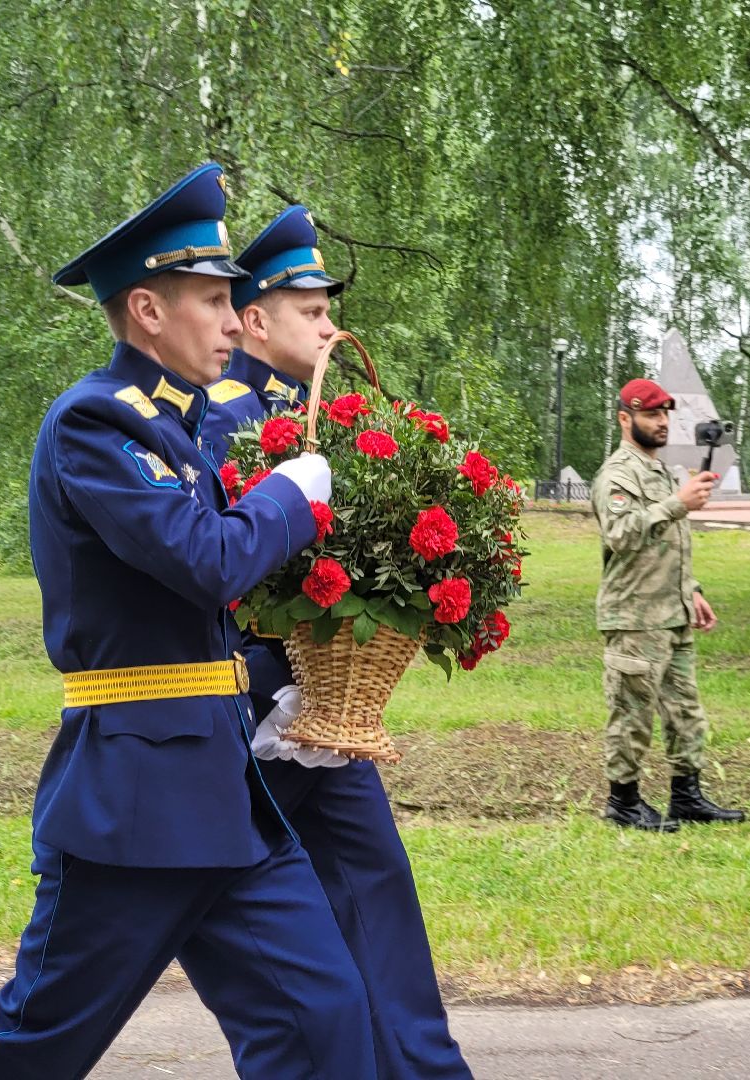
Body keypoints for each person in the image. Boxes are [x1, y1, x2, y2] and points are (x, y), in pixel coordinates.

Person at [0, 163, 373, 1080]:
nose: (233, 320)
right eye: (213, 300)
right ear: (147, 310)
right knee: (37, 1050)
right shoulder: (96, 424)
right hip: (135, 802)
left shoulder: (179, 430)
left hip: (224, 795)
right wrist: (290, 497)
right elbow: (208, 561)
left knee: (323, 1019)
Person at [199, 204, 474, 1080]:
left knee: (375, 887)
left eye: (329, 313)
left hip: (321, 704)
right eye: (312, 312)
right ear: (254, 320)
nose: (329, 328)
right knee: (234, 923)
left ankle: (425, 1070)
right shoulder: (225, 418)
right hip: (251, 709)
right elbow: (226, 563)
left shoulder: (316, 415)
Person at [591, 378, 749, 832]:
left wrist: (692, 591)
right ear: (625, 419)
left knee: (686, 712)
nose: (661, 422)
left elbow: (667, 545)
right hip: (635, 618)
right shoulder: (618, 474)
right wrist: (677, 504)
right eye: (651, 414)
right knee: (632, 714)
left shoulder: (660, 472)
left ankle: (687, 797)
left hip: (672, 614)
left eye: (664, 415)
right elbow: (621, 535)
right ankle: (623, 803)